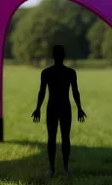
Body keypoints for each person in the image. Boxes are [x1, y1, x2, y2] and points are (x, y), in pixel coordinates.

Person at [31, 45, 86, 176]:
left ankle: (52, 168)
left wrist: (38, 108)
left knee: (52, 138)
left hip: (52, 107)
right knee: (65, 138)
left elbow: (42, 92)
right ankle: (65, 167)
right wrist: (79, 108)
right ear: (63, 56)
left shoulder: (46, 72)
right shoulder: (70, 72)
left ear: (53, 56)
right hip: (64, 106)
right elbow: (75, 92)